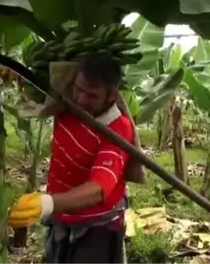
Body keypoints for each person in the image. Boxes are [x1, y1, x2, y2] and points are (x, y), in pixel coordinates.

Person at [7, 55, 132, 264]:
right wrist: (16, 76)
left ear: (111, 96)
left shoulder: (118, 128)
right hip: (61, 220)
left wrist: (47, 203)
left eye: (92, 96)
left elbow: (99, 188)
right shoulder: (65, 102)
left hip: (96, 228)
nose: (82, 99)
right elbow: (35, 87)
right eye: (79, 89)